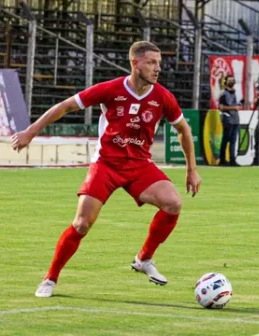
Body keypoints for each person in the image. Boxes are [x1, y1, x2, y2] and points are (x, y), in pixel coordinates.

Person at [11, 41, 202, 298]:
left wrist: (192, 169)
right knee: (81, 224)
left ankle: (144, 259)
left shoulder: (162, 96)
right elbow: (65, 106)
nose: (158, 68)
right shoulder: (111, 89)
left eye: (159, 63)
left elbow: (183, 129)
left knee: (173, 203)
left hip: (139, 165)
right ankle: (50, 278)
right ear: (135, 63)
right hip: (106, 164)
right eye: (152, 62)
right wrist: (30, 132)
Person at [218, 74, 242, 166]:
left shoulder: (236, 93)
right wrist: (233, 108)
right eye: (229, 80)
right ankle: (222, 159)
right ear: (225, 82)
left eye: (232, 80)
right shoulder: (223, 93)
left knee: (233, 141)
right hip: (228, 118)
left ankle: (232, 159)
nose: (231, 82)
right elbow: (221, 107)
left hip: (235, 119)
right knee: (226, 140)